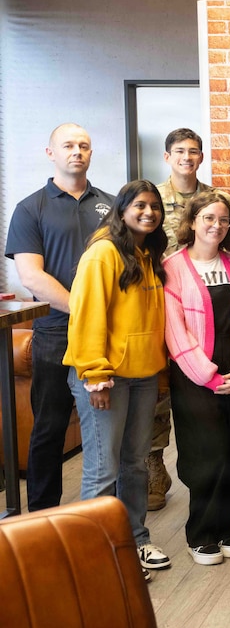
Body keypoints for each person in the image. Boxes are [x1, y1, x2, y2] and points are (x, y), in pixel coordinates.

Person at [64, 180, 171, 577]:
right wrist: (95, 375)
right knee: (101, 469)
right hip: (105, 378)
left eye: (154, 206)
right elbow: (87, 317)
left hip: (142, 376)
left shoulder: (147, 252)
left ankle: (135, 541)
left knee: (136, 464)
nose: (148, 212)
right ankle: (97, 557)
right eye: (140, 205)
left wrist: (159, 371)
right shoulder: (103, 253)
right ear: (121, 209)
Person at [5, 123, 112, 512]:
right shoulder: (31, 208)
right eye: (67, 145)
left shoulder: (112, 205)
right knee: (48, 428)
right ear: (50, 152)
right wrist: (86, 310)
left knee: (104, 428)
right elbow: (31, 275)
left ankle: (105, 513)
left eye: (84, 145)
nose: (76, 152)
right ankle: (43, 514)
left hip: (106, 333)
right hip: (54, 333)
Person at [163, 192, 230, 566]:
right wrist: (208, 375)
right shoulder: (172, 267)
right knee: (207, 454)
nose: (216, 226)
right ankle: (201, 535)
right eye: (208, 218)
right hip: (195, 376)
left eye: (223, 220)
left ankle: (226, 529)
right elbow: (175, 330)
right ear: (191, 222)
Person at [149, 127, 230, 512]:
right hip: (158, 305)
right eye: (180, 151)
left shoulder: (215, 201)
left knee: (205, 420)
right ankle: (155, 465)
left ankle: (212, 500)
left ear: (202, 157)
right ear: (168, 157)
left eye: (194, 151)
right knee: (157, 403)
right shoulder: (151, 199)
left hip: (206, 314)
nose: (187, 157)